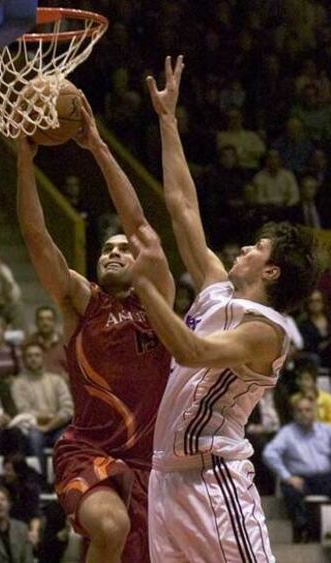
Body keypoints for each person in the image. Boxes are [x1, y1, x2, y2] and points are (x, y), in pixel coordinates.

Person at [123, 55, 319, 562]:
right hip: (166, 478)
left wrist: (145, 286)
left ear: (271, 272)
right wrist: (168, 121)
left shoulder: (266, 333)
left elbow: (189, 349)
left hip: (214, 480)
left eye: (257, 248)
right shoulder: (216, 288)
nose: (244, 250)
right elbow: (182, 206)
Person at [16, 105, 173, 562]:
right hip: (87, 449)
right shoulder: (81, 301)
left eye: (123, 249)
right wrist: (25, 167)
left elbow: (142, 226)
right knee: (112, 524)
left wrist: (98, 146)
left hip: (149, 464)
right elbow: (36, 236)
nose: (114, 252)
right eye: (106, 249)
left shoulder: (156, 299)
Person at [263, 396, 331, 543]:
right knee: (289, 488)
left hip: (326, 478)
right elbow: (269, 453)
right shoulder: (287, 433)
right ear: (294, 414)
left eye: (308, 410)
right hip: (301, 480)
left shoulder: (326, 430)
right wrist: (287, 476)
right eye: (299, 410)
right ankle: (302, 529)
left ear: (315, 412)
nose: (304, 413)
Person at [12, 342, 73, 473]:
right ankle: (40, 480)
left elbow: (68, 409)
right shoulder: (18, 383)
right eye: (29, 356)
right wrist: (49, 417)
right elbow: (23, 411)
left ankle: (63, 480)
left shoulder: (57, 380)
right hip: (32, 427)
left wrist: (49, 425)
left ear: (43, 358)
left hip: (58, 427)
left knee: (66, 438)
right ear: (23, 360)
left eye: (37, 355)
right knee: (35, 438)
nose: (33, 359)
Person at [26, 306, 67, 379]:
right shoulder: (28, 343)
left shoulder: (66, 343)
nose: (45, 323)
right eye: (41, 319)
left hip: (60, 386)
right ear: (36, 322)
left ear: (55, 322)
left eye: (49, 319)